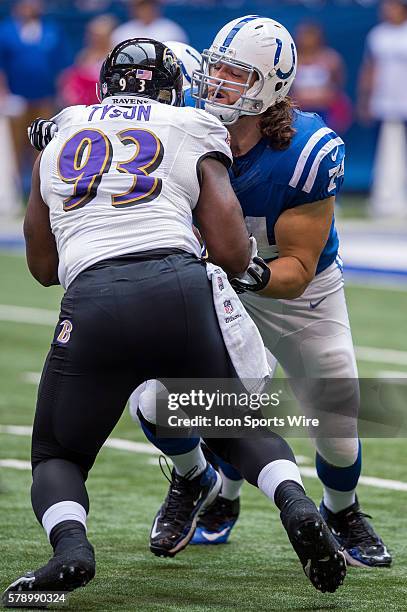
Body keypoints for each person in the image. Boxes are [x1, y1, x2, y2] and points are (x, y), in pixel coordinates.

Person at [3, 38, 346, 604]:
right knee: (240, 426)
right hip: (181, 289)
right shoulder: (190, 124)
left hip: (94, 297)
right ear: (174, 87)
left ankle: (70, 549)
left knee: (58, 455)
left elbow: (42, 267)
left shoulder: (61, 131)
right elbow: (233, 249)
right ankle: (297, 503)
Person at [132, 16, 391, 568]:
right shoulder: (185, 127)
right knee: (157, 400)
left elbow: (297, 267)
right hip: (214, 286)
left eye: (236, 72)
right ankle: (195, 482)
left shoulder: (306, 150)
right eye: (216, 67)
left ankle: (342, 510)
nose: (218, 81)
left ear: (272, 84)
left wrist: (240, 268)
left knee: (338, 415)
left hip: (299, 295)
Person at [0, 0, 69, 175]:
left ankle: (41, 181)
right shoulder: (6, 30)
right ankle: (15, 187)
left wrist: (60, 92)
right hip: (16, 97)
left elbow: (61, 64)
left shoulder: (52, 30)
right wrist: (4, 93)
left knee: (42, 143)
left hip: (45, 96)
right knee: (15, 144)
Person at [358, 0, 407, 218]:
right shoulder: (378, 35)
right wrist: (365, 99)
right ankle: (383, 197)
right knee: (383, 151)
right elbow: (370, 68)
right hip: (382, 104)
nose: (388, 10)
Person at [292, 22, 351, 134]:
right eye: (303, 35)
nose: (307, 39)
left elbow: (338, 87)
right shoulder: (292, 60)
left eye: (310, 35)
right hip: (299, 112)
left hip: (324, 112)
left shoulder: (331, 59)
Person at [58, 14, 117, 107]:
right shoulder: (84, 56)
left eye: (100, 36)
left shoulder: (116, 57)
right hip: (86, 108)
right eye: (93, 35)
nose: (96, 39)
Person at [112, 0, 188, 47]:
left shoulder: (172, 30)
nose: (146, 11)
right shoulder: (122, 31)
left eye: (148, 6)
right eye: (142, 7)